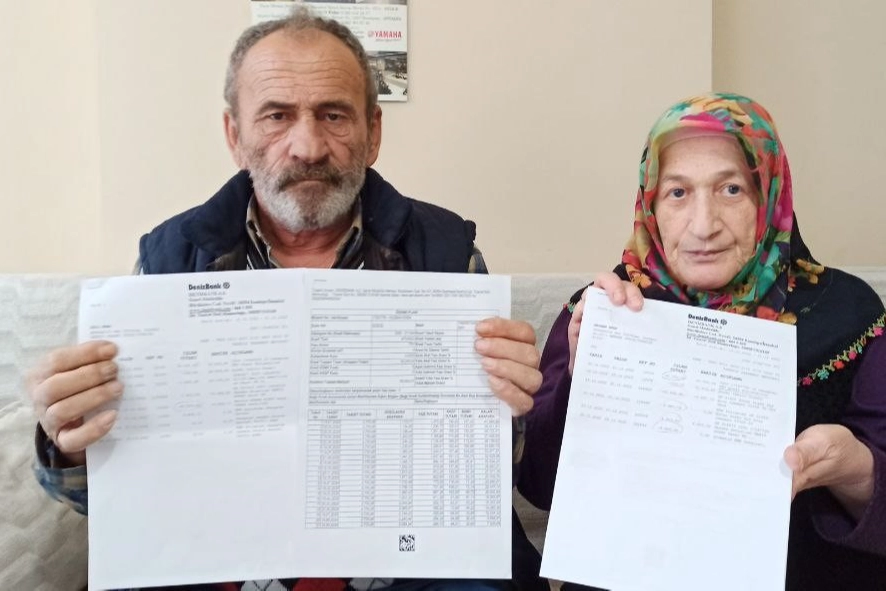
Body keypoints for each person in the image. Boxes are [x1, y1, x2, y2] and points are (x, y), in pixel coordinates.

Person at [26, 9, 544, 591]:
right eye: (276, 116)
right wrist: (73, 446)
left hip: (406, 572)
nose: (308, 146)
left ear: (373, 132)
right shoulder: (167, 262)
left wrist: (507, 414)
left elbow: (493, 480)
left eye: (333, 115)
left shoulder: (447, 253)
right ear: (235, 136)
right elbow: (113, 505)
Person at [517, 93, 886, 590]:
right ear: (650, 203)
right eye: (678, 193)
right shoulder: (606, 312)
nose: (704, 225)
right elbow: (540, 489)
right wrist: (581, 381)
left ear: (770, 195)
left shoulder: (846, 312)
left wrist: (854, 471)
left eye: (731, 189)